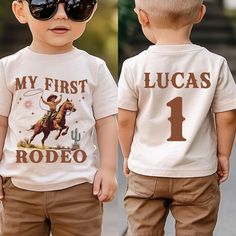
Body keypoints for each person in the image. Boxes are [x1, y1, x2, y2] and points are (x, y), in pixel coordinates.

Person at [118, 0, 236, 235]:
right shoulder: (215, 64)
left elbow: (124, 118)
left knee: (142, 230)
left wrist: (127, 154)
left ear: (142, 17)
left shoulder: (133, 66)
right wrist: (223, 154)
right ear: (200, 14)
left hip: (147, 171)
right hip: (197, 173)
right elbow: (228, 116)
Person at [0, 0, 118, 235]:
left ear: (92, 11)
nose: (62, 15)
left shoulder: (94, 68)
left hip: (79, 190)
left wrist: (108, 169)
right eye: (45, 6)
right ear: (21, 11)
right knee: (48, 119)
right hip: (20, 191)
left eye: (76, 7)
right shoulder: (8, 68)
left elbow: (107, 121)